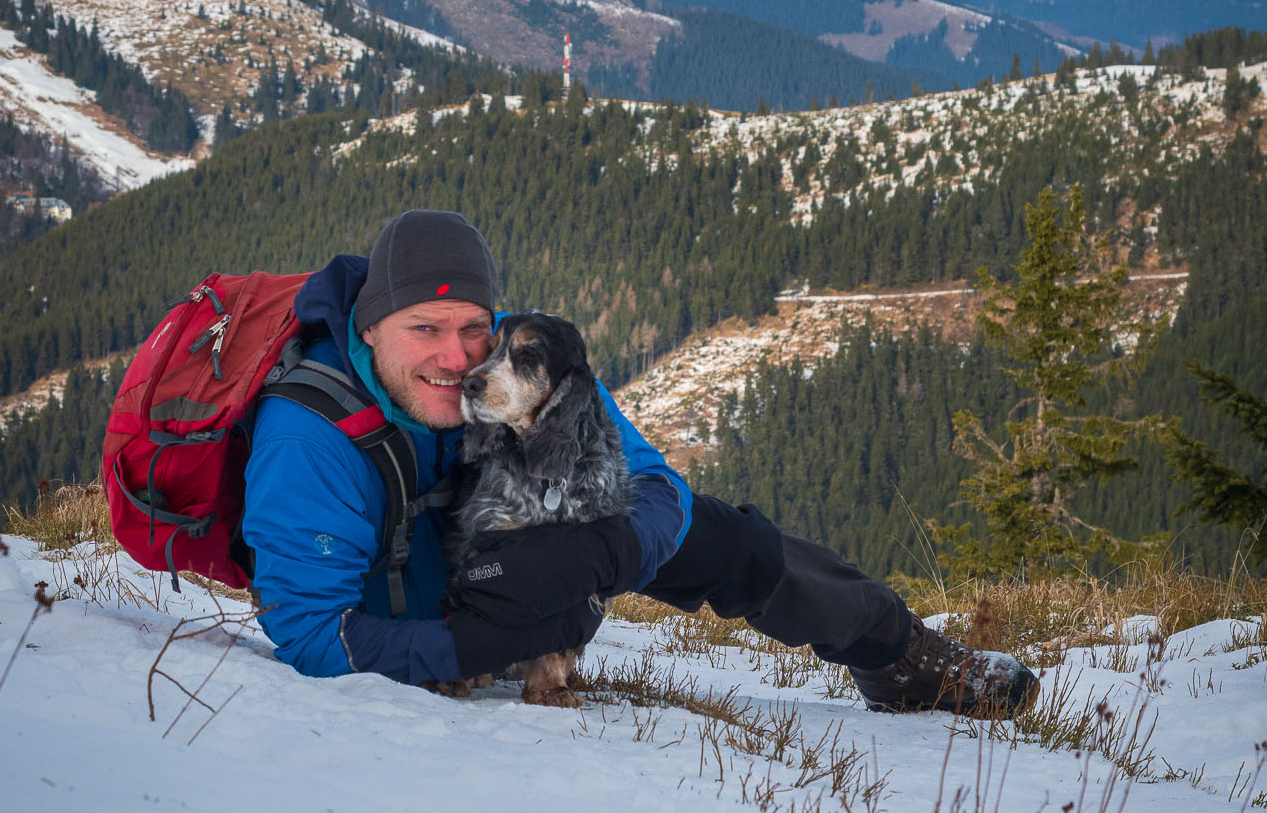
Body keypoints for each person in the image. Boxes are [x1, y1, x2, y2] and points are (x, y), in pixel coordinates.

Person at [243, 210, 1038, 714]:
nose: (458, 359)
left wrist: (610, 550)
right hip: (434, 621)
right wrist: (467, 652)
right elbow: (313, 635)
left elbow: (656, 483)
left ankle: (897, 653)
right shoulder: (308, 437)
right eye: (424, 329)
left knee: (719, 537)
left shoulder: (523, 359)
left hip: (524, 558)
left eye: (472, 326)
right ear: (372, 326)